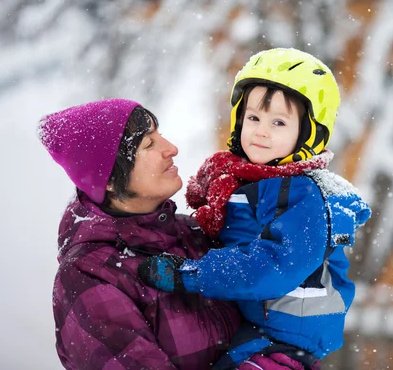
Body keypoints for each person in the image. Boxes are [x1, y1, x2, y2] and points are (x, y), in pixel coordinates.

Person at [138, 48, 372, 370]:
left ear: (309, 135)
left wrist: (191, 274)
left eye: (278, 122)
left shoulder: (305, 197)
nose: (261, 131)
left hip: (288, 341)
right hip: (256, 330)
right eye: (253, 118)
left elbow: (273, 266)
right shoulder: (244, 182)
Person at [39, 99, 246, 370]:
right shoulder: (88, 277)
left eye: (159, 135)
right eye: (148, 144)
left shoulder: (192, 232)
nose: (172, 149)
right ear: (110, 180)